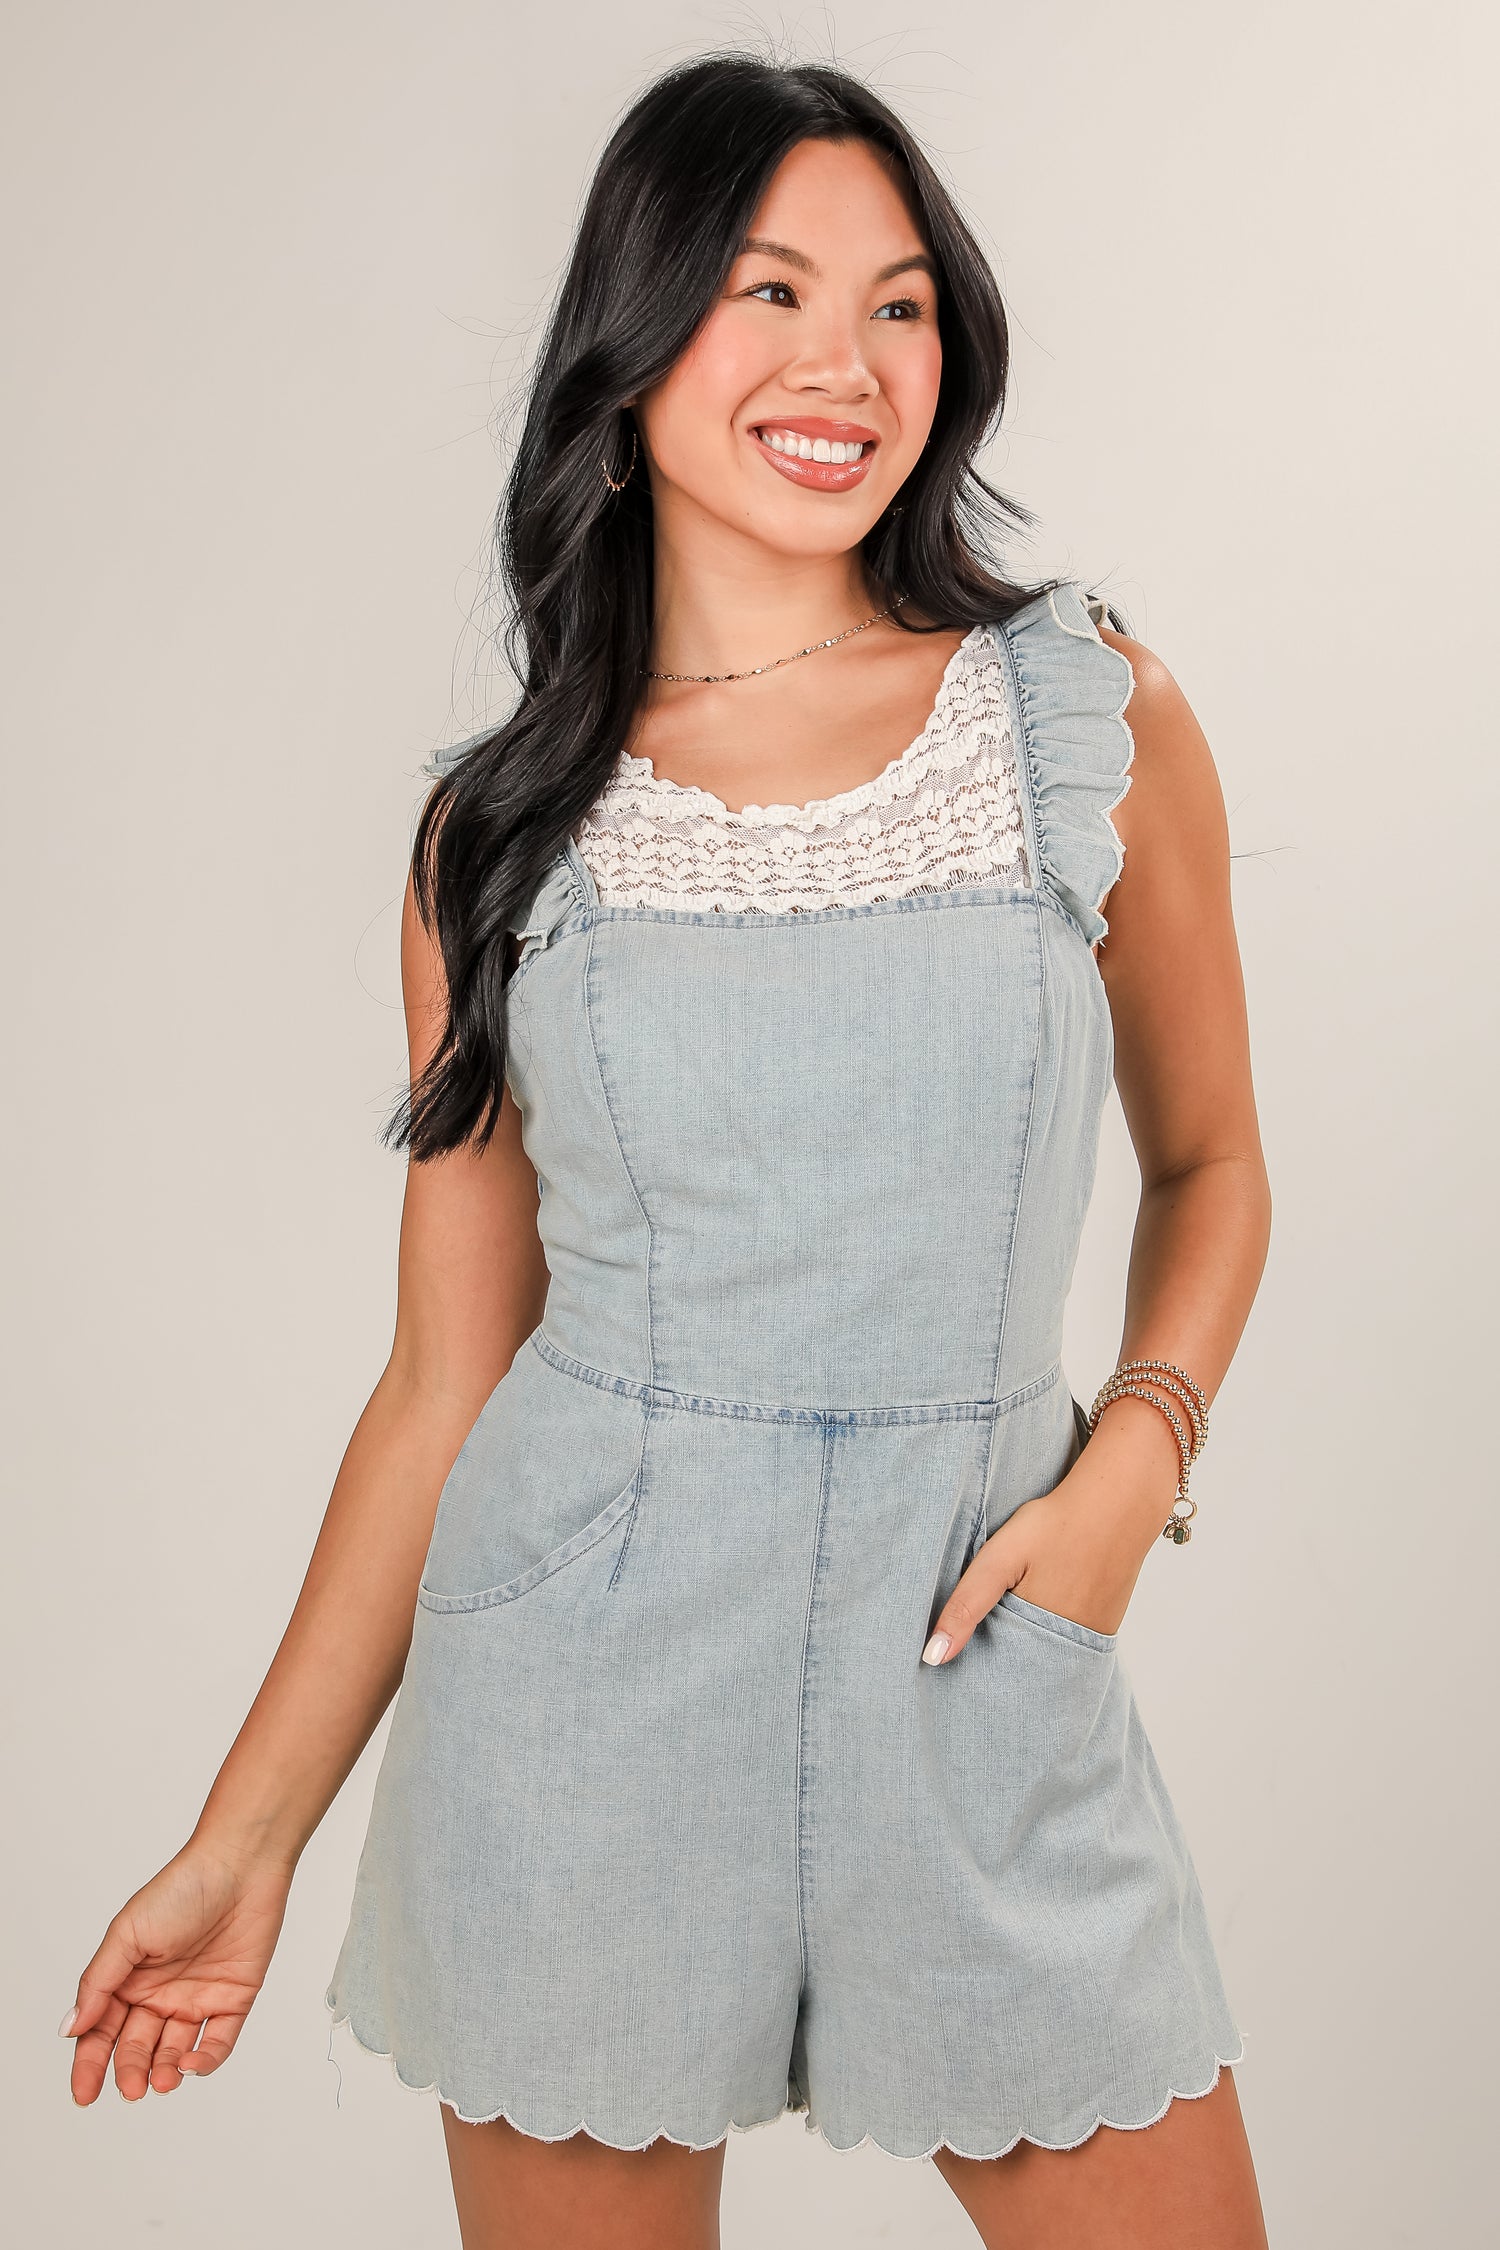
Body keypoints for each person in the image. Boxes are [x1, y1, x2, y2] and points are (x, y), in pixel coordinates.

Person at [60, 51, 1273, 2250]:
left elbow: (1215, 1165)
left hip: (985, 1656)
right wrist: (245, 1842)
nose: (842, 365)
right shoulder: (498, 833)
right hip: (586, 1698)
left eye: (899, 305)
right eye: (767, 290)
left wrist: (1134, 1465)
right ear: (630, 349)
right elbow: (445, 1384)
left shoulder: (1090, 716)